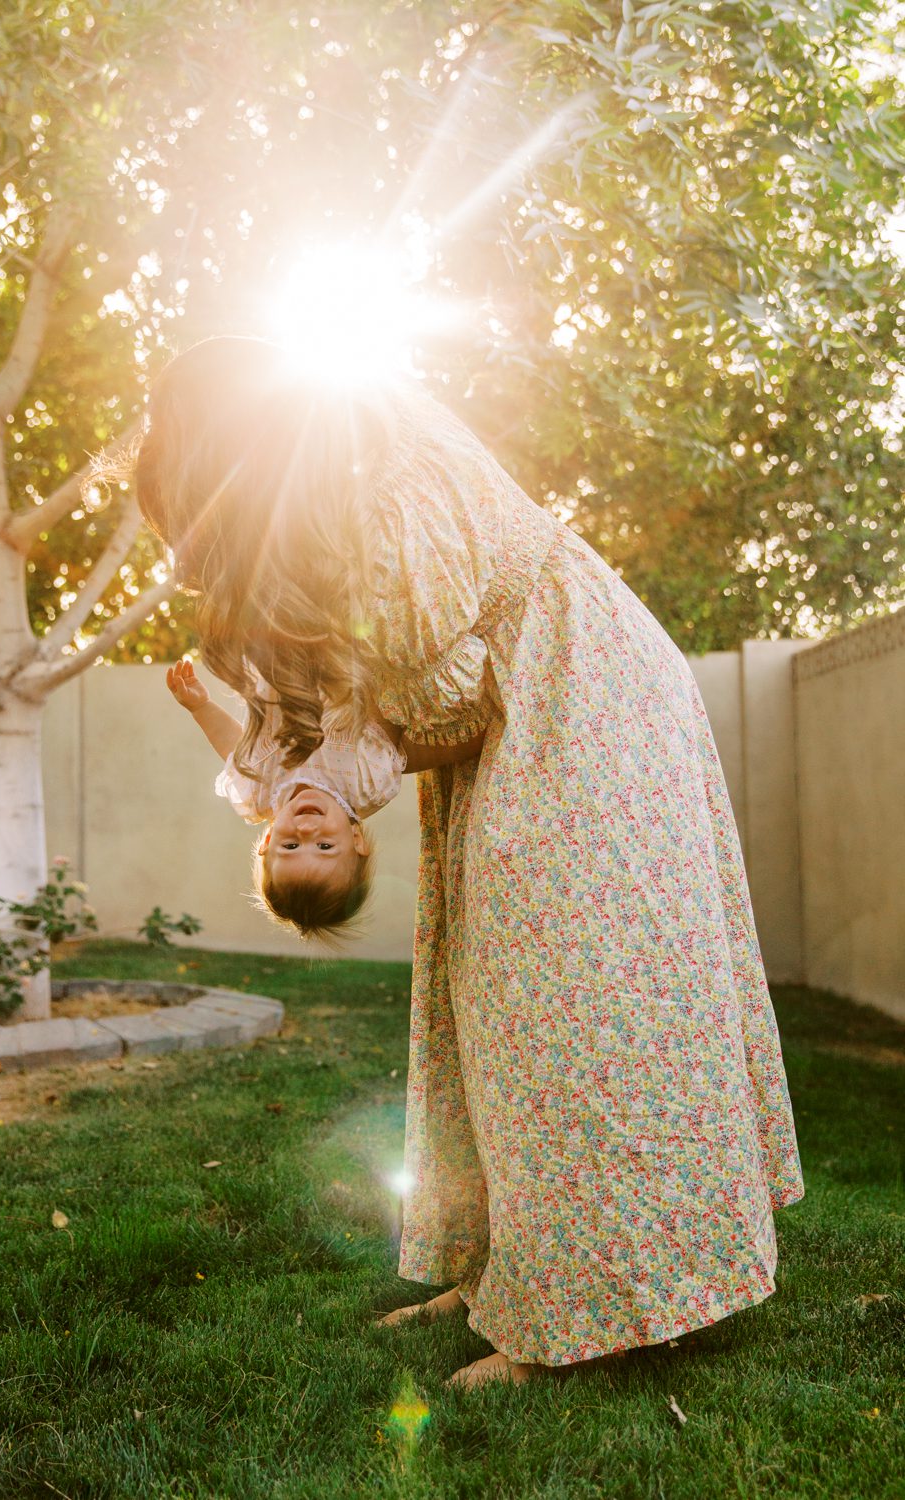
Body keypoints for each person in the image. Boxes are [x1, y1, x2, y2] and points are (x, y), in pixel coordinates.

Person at [129, 335, 804, 1390]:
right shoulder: (334, 491)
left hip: (577, 695)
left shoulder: (380, 488)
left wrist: (340, 764)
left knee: (571, 1008)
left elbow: (440, 704)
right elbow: (408, 711)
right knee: (489, 1010)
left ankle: (586, 1307)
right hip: (525, 707)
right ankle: (505, 1266)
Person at [165, 657, 485, 938]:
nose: (306, 831)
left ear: (267, 841)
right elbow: (391, 709)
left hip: (281, 660)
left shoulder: (257, 795)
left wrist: (200, 707)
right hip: (346, 659)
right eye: (325, 847)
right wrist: (480, 738)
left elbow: (235, 749)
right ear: (356, 840)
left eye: (290, 846)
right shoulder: (366, 784)